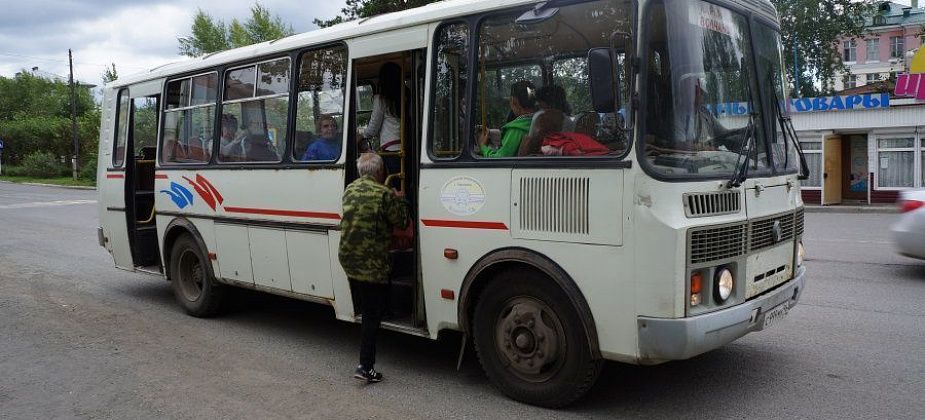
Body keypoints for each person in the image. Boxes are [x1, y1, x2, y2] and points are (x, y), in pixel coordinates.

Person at [339, 153, 410, 383]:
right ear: (380, 172)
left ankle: (384, 309)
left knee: (370, 306)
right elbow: (402, 221)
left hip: (349, 259)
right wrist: (400, 198)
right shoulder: (384, 193)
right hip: (372, 263)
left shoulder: (349, 189)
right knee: (371, 316)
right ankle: (365, 367)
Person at [478, 80, 536, 158]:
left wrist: (483, 147)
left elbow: (499, 159)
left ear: (513, 101)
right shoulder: (538, 121)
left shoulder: (516, 129)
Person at [362, 62, 403, 153]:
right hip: (407, 144)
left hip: (391, 147)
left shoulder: (381, 99)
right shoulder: (405, 95)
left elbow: (373, 128)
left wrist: (361, 135)